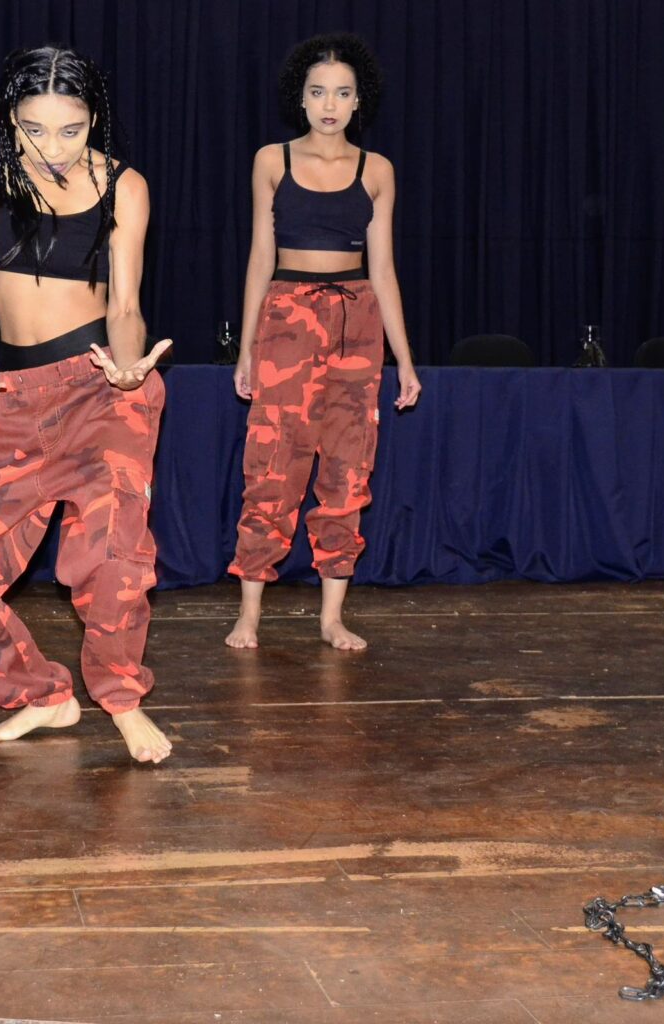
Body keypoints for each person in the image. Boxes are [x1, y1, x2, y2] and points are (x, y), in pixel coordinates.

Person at [0, 46, 172, 763]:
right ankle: (43, 696)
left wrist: (128, 370)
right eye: (33, 129)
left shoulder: (124, 187)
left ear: (95, 121)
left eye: (71, 130)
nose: (52, 147)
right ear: (9, 120)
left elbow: (125, 308)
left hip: (102, 391)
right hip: (17, 397)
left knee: (112, 560)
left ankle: (122, 699)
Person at [226, 33, 421, 651]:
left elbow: (384, 271)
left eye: (342, 93)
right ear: (301, 98)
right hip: (287, 317)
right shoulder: (271, 160)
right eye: (318, 92)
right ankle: (249, 613)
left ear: (359, 101)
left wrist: (405, 361)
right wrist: (246, 348)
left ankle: (332, 616)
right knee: (273, 464)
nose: (329, 104)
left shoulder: (377, 170)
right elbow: (260, 257)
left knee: (347, 466)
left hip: (356, 322)